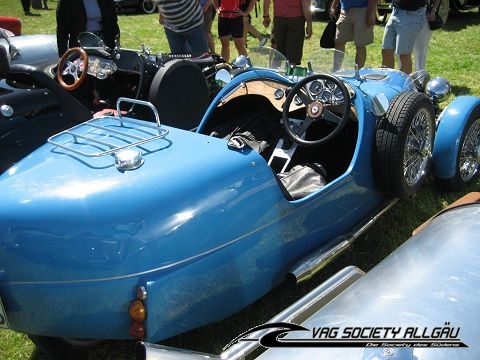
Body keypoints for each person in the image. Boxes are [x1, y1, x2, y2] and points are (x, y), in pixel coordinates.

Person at [381, 0, 427, 74]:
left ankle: (403, 84)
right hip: (395, 11)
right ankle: (388, 82)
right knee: (386, 51)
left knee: (404, 55)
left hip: (411, 14)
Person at [262, 0, 313, 65]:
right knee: (292, 57)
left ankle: (276, 72)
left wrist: (266, 16)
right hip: (296, 20)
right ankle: (289, 73)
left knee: (278, 54)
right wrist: (309, 23)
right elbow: (305, 3)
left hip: (279, 19)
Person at [329, 0, 376, 69]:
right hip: (345, 11)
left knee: (360, 44)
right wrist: (333, 6)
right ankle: (336, 70)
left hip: (363, 10)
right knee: (339, 41)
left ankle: (357, 72)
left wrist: (370, 14)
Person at [413, 0, 441, 71]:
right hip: (403, 15)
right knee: (402, 51)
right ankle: (403, 76)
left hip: (424, 14)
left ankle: (420, 76)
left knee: (421, 50)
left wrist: (433, 10)